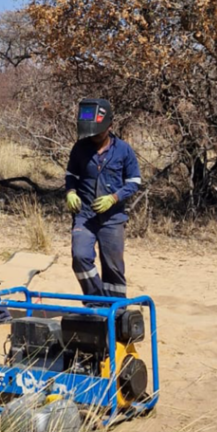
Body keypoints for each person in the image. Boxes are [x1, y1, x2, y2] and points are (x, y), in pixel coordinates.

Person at [65, 98, 142, 298]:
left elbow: (134, 181)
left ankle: (117, 311)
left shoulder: (124, 150)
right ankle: (96, 301)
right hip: (85, 216)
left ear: (110, 125)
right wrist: (70, 192)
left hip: (113, 218)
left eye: (98, 131)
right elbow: (71, 176)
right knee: (80, 257)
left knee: (113, 267)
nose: (94, 136)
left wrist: (114, 198)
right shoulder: (80, 148)